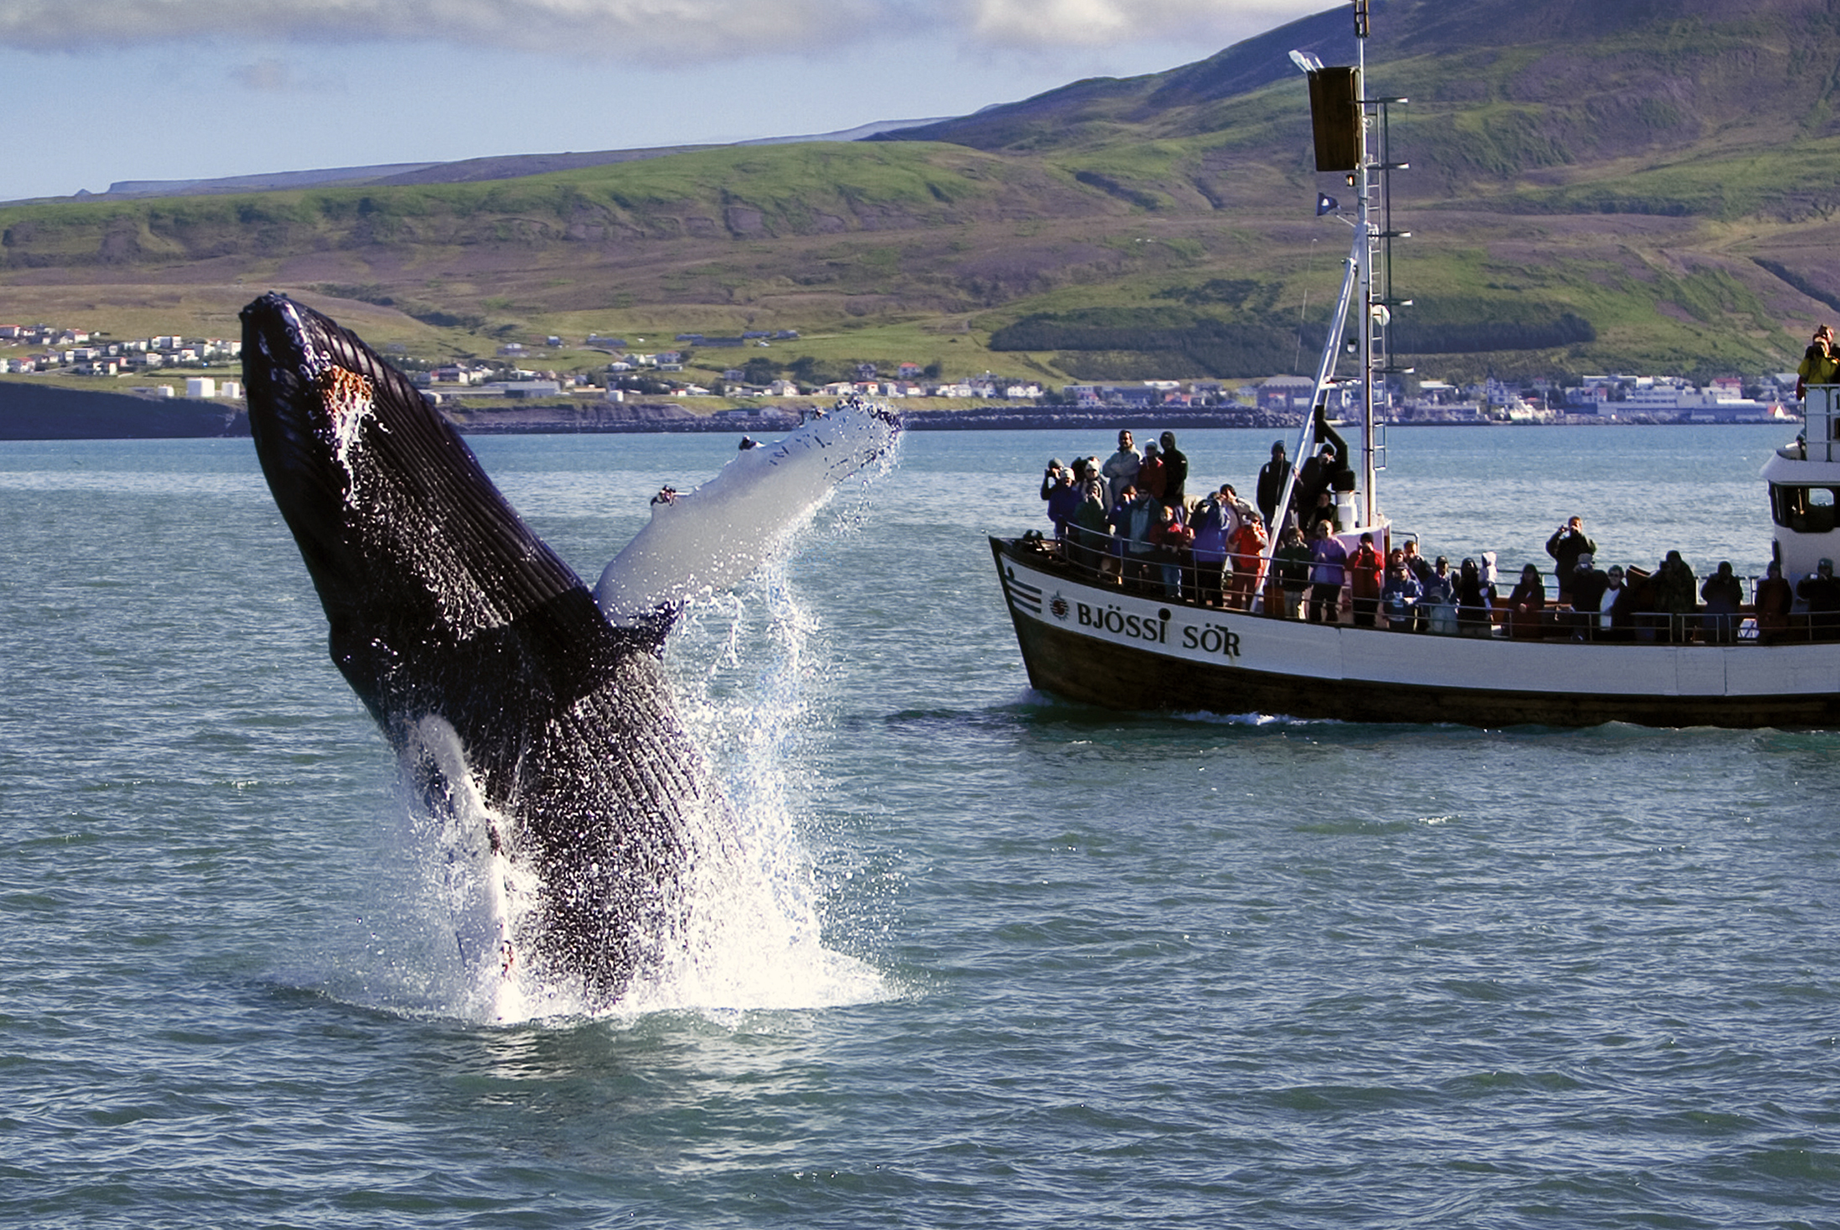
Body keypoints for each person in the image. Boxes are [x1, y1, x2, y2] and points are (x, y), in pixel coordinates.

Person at [1188, 485, 1236, 606]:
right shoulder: (1204, 515)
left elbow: (1220, 523)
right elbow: (1193, 525)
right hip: (1200, 555)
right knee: (1199, 585)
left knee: (1215, 586)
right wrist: (1198, 509)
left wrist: (1218, 506)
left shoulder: (1225, 514)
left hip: (1214, 556)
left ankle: (1218, 607)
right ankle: (1199, 605)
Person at [1148, 500, 1193, 599]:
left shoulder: (1176, 527)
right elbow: (1152, 537)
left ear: (1171, 516)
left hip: (1174, 557)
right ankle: (1169, 593)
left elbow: (1179, 538)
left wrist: (1176, 546)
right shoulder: (1157, 527)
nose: (1164, 518)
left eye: (1166, 515)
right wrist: (1160, 544)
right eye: (1162, 515)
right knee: (1166, 576)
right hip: (1164, 556)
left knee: (1176, 576)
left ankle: (1177, 593)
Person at [1546, 516, 1596, 602]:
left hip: (1582, 582)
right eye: (1571, 525)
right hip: (1566, 582)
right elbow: (1550, 548)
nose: (1573, 527)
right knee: (1564, 607)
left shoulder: (1585, 542)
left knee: (1580, 606)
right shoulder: (1564, 544)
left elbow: (1591, 550)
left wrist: (1579, 535)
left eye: (1576, 525)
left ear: (1580, 527)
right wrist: (1558, 534)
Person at [1307, 521, 1347, 624]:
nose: (1323, 532)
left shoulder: (1338, 544)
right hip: (1319, 580)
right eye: (1321, 529)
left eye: (1326, 529)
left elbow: (1342, 561)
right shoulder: (1316, 544)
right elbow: (1311, 561)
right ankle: (1315, 626)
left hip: (1333, 581)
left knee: (1331, 606)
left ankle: (1331, 626)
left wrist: (1327, 559)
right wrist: (1315, 559)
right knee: (1314, 605)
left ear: (1331, 530)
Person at [1653, 549, 1697, 642]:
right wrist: (1661, 572)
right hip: (1664, 611)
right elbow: (1651, 584)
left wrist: (1670, 575)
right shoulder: (1665, 571)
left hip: (1680, 614)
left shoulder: (1685, 572)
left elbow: (1683, 589)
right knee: (1661, 637)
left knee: (1680, 639)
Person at [1227, 512, 1269, 611]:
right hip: (1241, 564)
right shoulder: (1242, 531)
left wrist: (1255, 533)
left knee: (1251, 592)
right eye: (1250, 520)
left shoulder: (1261, 533)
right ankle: (1235, 610)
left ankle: (1250, 610)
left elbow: (1263, 544)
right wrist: (1240, 532)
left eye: (1255, 521)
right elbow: (1232, 540)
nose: (1252, 523)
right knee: (1237, 591)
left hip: (1254, 566)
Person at [1272, 525, 1313, 619]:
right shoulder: (1285, 551)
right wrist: (1291, 563)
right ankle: (1288, 622)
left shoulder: (1305, 550)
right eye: (1292, 537)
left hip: (1299, 581)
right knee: (1287, 604)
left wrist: (1298, 563)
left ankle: (1299, 623)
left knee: (1297, 606)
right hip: (1288, 581)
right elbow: (1280, 565)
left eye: (1296, 537)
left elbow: (1307, 563)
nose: (1294, 540)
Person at [1700, 561, 1744, 645]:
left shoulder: (1733, 582)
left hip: (1728, 616)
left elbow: (1738, 596)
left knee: (1728, 639)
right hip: (1714, 615)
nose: (1725, 573)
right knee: (1712, 638)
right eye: (1723, 571)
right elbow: (1704, 594)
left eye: (1727, 571)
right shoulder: (1713, 581)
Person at [1040, 459, 1082, 542]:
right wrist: (1046, 479)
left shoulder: (1078, 492)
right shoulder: (1056, 493)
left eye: (1058, 468)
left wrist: (1058, 478)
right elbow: (1045, 497)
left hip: (1077, 527)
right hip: (1062, 527)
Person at [1568, 554, 1609, 638]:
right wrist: (1574, 573)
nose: (1584, 567)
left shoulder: (1599, 576)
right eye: (1581, 564)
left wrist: (1591, 572)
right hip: (1579, 612)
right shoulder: (1576, 577)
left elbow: (1606, 588)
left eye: (1586, 564)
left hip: (1595, 610)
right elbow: (1567, 589)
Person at [1797, 557, 1840, 639]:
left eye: (1825, 568)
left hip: (1833, 618)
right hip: (1816, 618)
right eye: (1820, 568)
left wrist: (1828, 582)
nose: (1823, 570)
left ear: (1830, 570)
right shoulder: (1813, 583)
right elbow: (1802, 594)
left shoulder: (1836, 581)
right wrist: (1803, 582)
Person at [1380, 548, 1422, 629]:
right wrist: (1390, 597)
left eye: (1403, 570)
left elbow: (1420, 597)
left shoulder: (1412, 584)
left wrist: (1411, 600)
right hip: (1394, 616)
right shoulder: (1391, 583)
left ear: (1407, 571)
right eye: (1399, 570)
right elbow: (1384, 596)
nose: (1401, 572)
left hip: (1407, 616)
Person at [1348, 532, 1384, 627]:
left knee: (1370, 619)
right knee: (1358, 619)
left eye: (1368, 542)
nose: (1365, 544)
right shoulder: (1355, 555)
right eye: (1363, 542)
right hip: (1358, 593)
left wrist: (1372, 552)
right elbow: (1348, 566)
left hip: (1372, 593)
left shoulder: (1378, 554)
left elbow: (1380, 566)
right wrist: (1358, 554)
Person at [1256, 440, 1292, 530]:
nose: (1278, 454)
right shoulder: (1267, 468)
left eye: (1281, 452)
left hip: (1287, 508)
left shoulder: (1289, 467)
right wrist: (1263, 508)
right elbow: (1260, 489)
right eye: (1276, 452)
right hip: (1270, 509)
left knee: (1288, 533)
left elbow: (1298, 488)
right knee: (1271, 534)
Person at [1797, 324, 1839, 400]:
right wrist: (1807, 358)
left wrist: (1824, 357)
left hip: (1827, 395)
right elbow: (1802, 373)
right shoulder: (1811, 359)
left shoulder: (1834, 358)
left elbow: (1827, 374)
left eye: (1825, 334)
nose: (1823, 335)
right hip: (1812, 394)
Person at [1756, 560, 1794, 643]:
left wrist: (1783, 612)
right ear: (1768, 572)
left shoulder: (1784, 585)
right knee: (1765, 639)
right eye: (1771, 570)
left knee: (1779, 639)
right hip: (1765, 618)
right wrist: (1761, 613)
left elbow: (1788, 601)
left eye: (1775, 570)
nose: (1773, 572)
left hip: (1779, 618)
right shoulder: (1763, 585)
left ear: (1779, 572)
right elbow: (1758, 602)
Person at [1505, 563, 1547, 639]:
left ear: (1534, 574)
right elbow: (1511, 602)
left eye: (1530, 572)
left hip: (1533, 618)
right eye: (1526, 572)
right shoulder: (1518, 588)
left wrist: (1527, 607)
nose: (1527, 575)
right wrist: (1519, 605)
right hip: (1518, 619)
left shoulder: (1539, 589)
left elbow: (1540, 604)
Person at [1101, 429, 1141, 506]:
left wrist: (1113, 467)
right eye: (1121, 439)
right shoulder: (1116, 456)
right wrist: (1118, 471)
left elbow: (1124, 470)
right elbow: (1105, 470)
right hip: (1114, 494)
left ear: (1131, 440)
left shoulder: (1135, 455)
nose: (1123, 441)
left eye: (1125, 439)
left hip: (1129, 495)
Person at [1455, 557, 1492, 637]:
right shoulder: (1462, 583)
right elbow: (1457, 596)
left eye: (1469, 567)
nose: (1468, 569)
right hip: (1467, 621)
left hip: (1481, 620)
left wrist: (1488, 584)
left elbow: (1492, 595)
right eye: (1465, 567)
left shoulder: (1480, 581)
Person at [1422, 556, 1457, 634]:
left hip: (1449, 606)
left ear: (1447, 565)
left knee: (1451, 628)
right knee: (1437, 628)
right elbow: (1425, 595)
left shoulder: (1452, 578)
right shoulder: (1430, 580)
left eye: (1444, 564)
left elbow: (1455, 595)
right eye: (1440, 564)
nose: (1442, 567)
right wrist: (1426, 612)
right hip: (1435, 607)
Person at [1157, 431, 1189, 509]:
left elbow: (1182, 476)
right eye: (1164, 441)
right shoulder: (1161, 458)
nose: (1166, 443)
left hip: (1176, 497)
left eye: (1168, 441)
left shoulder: (1180, 457)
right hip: (1162, 496)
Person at [1136, 440, 1166, 506]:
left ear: (1155, 450)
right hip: (1142, 494)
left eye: (1152, 449)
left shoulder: (1159, 465)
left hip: (1155, 496)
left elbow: (1161, 482)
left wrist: (1154, 494)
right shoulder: (1142, 463)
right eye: (1148, 448)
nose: (1150, 451)